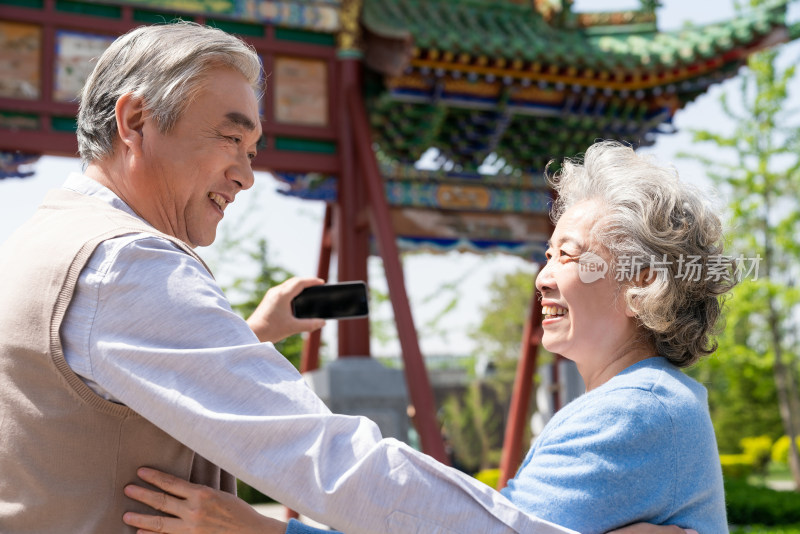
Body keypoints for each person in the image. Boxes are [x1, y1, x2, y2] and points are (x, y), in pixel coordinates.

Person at [0, 20, 576, 534]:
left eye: (253, 150)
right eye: (231, 138)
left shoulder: (42, 243)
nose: (247, 176)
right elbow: (328, 461)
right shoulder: (127, 263)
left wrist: (246, 336)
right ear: (135, 120)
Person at [121, 141, 730, 534]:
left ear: (641, 282)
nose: (542, 277)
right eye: (546, 254)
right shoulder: (645, 401)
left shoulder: (636, 411)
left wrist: (255, 531)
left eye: (568, 257)